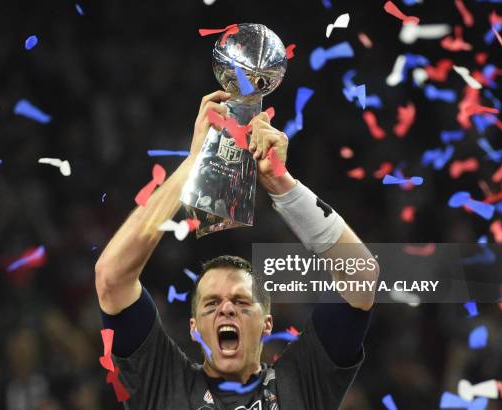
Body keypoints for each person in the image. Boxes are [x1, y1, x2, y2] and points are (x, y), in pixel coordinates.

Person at [95, 90, 380, 410]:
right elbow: (111, 278)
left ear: (266, 324)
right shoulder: (165, 383)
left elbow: (361, 275)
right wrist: (193, 165)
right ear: (194, 328)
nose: (226, 309)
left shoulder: (300, 381)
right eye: (211, 303)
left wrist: (283, 185)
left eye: (242, 302)